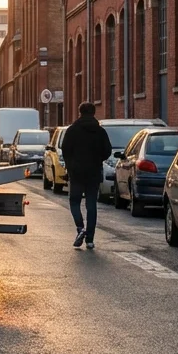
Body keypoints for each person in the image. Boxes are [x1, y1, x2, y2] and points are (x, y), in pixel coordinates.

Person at [60, 102, 113, 249]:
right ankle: (90, 239)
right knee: (91, 205)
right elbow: (107, 150)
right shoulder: (100, 131)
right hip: (93, 172)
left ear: (80, 113)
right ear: (94, 113)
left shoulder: (72, 130)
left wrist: (71, 165)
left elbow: (65, 150)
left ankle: (80, 228)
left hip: (76, 173)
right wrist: (97, 159)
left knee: (74, 202)